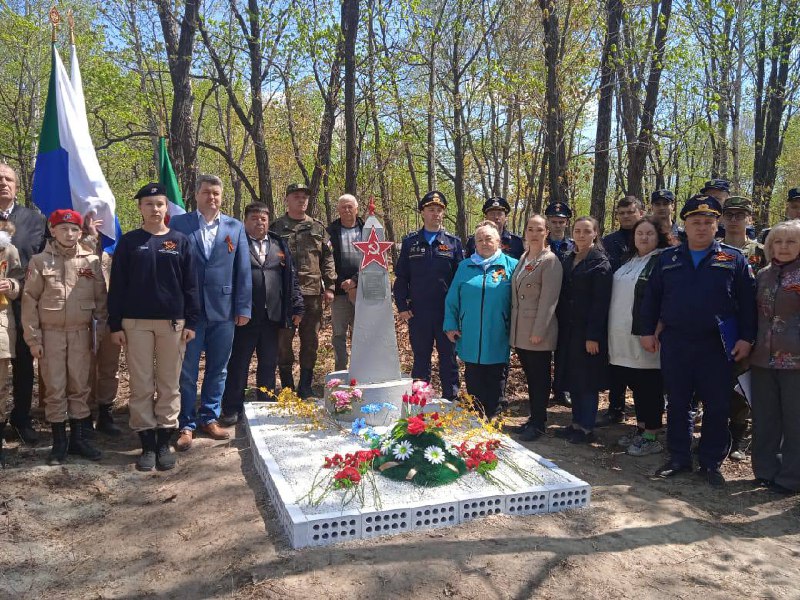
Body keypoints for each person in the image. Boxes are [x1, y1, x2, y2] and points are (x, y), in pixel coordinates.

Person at [641, 194, 757, 486]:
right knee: (678, 403)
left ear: (717, 225)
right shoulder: (668, 259)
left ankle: (710, 462)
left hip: (717, 345)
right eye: (696, 222)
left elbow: (748, 303)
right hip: (676, 342)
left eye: (708, 222)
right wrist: (646, 331)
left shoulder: (733, 258)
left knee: (717, 405)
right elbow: (651, 299)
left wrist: (747, 338)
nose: (702, 227)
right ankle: (679, 457)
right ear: (685, 225)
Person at [108, 184, 200, 471]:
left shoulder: (180, 241)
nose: (155, 209)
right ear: (140, 208)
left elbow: (191, 285)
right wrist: (115, 324)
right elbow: (118, 286)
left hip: (173, 323)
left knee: (169, 383)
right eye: (149, 204)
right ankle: (146, 442)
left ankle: (164, 440)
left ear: (166, 208)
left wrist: (192, 321)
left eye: (160, 204)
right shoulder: (129, 242)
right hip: (134, 323)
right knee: (141, 384)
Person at [170, 175, 252, 451]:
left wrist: (243, 307)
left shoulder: (234, 226)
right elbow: (173, 268)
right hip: (190, 311)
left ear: (221, 196)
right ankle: (186, 423)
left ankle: (209, 417)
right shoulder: (180, 224)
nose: (211, 198)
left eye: (216, 193)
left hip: (224, 310)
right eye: (206, 192)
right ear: (196, 195)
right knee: (188, 370)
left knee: (218, 368)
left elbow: (242, 269)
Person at [22, 209, 107, 464]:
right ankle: (59, 443)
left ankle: (79, 440)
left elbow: (101, 302)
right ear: (53, 229)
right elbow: (29, 300)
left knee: (80, 386)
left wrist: (98, 335)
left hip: (81, 334)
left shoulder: (91, 261)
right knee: (55, 387)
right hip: (51, 335)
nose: (69, 234)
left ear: (80, 232)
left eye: (74, 230)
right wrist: (33, 340)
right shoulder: (39, 261)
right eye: (63, 229)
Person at [220, 203, 303, 425]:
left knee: (268, 363)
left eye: (264, 219)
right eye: (255, 218)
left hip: (273, 316)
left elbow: (291, 279)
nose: (260, 222)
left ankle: (264, 403)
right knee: (239, 364)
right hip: (244, 316)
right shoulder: (236, 243)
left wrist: (297, 306)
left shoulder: (279, 243)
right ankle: (232, 407)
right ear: (245, 221)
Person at [608, 217, 672, 456]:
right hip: (621, 334)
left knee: (649, 386)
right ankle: (641, 427)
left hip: (646, 335)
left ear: (659, 236)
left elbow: (665, 299)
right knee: (634, 383)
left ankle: (652, 435)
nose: (643, 238)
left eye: (649, 233)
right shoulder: (630, 260)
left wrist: (655, 330)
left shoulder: (662, 261)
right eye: (639, 233)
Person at [394, 190, 463, 400]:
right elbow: (401, 277)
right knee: (421, 356)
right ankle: (420, 398)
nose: (435, 214)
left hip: (446, 312)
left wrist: (459, 310)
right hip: (419, 311)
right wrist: (402, 307)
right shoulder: (410, 242)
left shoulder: (453, 243)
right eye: (431, 210)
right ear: (423, 213)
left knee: (449, 357)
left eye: (439, 210)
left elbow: (460, 279)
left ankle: (451, 397)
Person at [444, 222, 517, 417]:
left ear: (499, 241)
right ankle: (476, 418)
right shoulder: (465, 266)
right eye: (480, 240)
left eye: (489, 239)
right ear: (474, 243)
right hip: (470, 334)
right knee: (474, 377)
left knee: (496, 378)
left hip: (498, 333)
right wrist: (450, 326)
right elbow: (452, 299)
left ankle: (493, 418)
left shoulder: (511, 265)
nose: (484, 243)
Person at [270, 183, 337, 398]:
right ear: (287, 199)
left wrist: (331, 286)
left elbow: (327, 258)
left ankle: (306, 385)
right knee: (283, 343)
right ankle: (288, 386)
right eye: (297, 197)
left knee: (310, 342)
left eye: (305, 197)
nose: (302, 201)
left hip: (312, 295)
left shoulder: (318, 228)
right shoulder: (276, 228)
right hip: (284, 295)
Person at [750, 220, 800, 494]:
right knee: (765, 418)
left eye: (791, 242)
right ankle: (765, 470)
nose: (783, 247)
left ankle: (791, 477)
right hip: (762, 358)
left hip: (795, 361)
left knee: (795, 421)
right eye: (778, 242)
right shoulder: (763, 274)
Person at [553, 216, 612, 444]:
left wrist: (593, 336)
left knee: (587, 382)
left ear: (595, 234)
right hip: (569, 329)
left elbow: (601, 303)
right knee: (574, 378)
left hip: (588, 332)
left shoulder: (600, 262)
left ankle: (586, 427)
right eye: (577, 230)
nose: (581, 235)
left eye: (586, 231)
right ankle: (575, 423)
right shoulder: (570, 258)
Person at [0, 164, 46, 445]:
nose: (3, 183)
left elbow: (48, 255)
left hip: (25, 301)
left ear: (16, 185)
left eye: (8, 179)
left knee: (24, 363)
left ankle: (20, 418)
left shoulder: (34, 219)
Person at [719, 196, 767, 461]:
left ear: (750, 218)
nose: (735, 220)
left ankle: (736, 439)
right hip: (717, 328)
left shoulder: (761, 250)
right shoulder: (712, 248)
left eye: (741, 215)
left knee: (740, 386)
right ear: (723, 218)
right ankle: (715, 436)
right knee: (713, 385)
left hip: (748, 328)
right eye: (730, 214)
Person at [508, 215, 562, 440]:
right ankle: (533, 417)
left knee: (539, 378)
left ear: (546, 232)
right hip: (521, 328)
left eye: (539, 229)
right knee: (531, 376)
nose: (534, 233)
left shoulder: (550, 260)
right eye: (530, 229)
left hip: (537, 331)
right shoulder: (523, 257)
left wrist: (539, 330)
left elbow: (549, 300)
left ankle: (539, 422)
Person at [598, 195, 645, 428]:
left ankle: (643, 414)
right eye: (622, 213)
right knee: (616, 363)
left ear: (641, 213)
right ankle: (615, 408)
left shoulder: (648, 239)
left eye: (631, 212)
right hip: (614, 306)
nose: (626, 217)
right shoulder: (609, 241)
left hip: (641, 310)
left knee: (640, 366)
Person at [327, 194, 363, 372]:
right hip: (339, 290)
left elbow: (373, 261)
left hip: (363, 290)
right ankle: (341, 371)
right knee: (339, 334)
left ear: (357, 208)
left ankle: (360, 370)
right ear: (338, 209)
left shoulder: (367, 229)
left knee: (360, 332)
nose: (347, 210)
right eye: (343, 207)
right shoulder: (330, 231)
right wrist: (343, 283)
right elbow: (326, 261)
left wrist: (355, 282)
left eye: (350, 207)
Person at [0, 221, 23, 465]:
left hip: (1, 321)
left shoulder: (8, 249)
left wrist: (11, 285)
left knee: (0, 385)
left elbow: (19, 281)